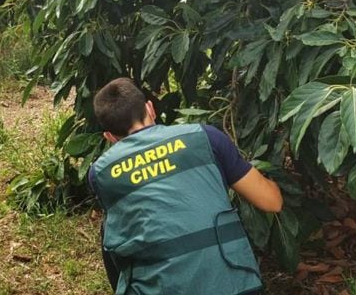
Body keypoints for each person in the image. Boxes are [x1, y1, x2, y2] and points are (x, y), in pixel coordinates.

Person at [87, 77, 283, 295]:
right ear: (150, 108)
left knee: (109, 227)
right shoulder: (206, 137)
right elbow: (271, 202)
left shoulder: (100, 172)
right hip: (234, 285)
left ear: (110, 137)